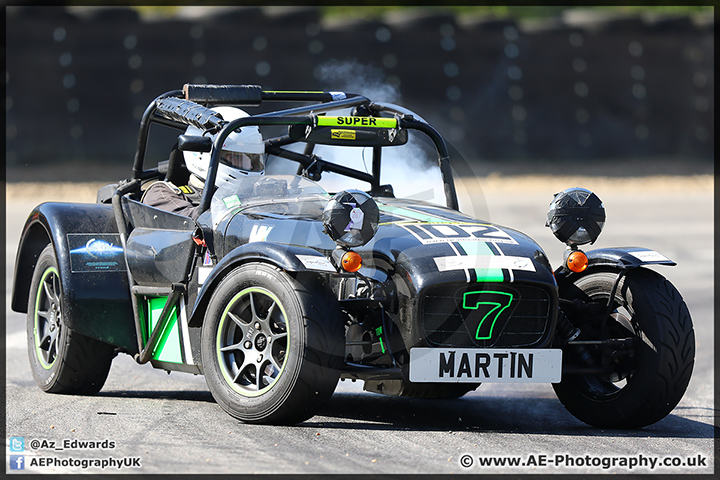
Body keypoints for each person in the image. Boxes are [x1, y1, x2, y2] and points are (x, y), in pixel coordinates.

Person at [142, 106, 265, 219]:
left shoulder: (256, 195)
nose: (249, 166)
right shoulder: (161, 194)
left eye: (253, 159)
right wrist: (235, 204)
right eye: (237, 157)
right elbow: (193, 222)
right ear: (201, 155)